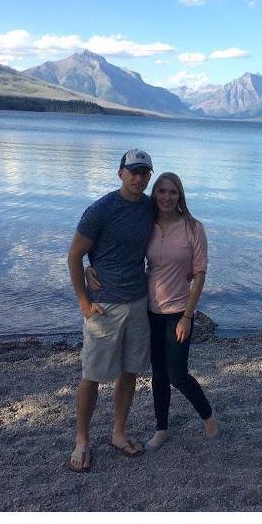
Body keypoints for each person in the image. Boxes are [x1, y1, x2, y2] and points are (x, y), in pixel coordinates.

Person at [87, 171, 218, 451]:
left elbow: (200, 275)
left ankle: (208, 418)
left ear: (180, 196)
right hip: (148, 308)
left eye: (172, 192)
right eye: (161, 192)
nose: (166, 197)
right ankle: (161, 429)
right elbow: (117, 247)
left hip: (178, 312)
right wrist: (91, 266)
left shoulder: (194, 228)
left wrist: (187, 316)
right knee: (158, 373)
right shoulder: (149, 222)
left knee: (177, 374)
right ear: (154, 195)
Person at [66, 148, 155, 472]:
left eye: (145, 173)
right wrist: (83, 301)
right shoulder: (101, 209)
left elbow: (173, 228)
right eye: (133, 172)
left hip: (138, 302)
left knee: (129, 370)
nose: (139, 178)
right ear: (120, 173)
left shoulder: (150, 208)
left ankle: (118, 432)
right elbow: (75, 255)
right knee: (91, 375)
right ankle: (82, 439)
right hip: (104, 307)